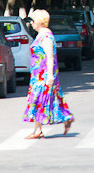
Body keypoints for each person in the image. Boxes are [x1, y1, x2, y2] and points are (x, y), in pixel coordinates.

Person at [23, 9, 74, 139]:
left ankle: (39, 130)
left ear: (39, 22)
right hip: (37, 74)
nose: (32, 23)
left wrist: (50, 75)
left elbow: (50, 56)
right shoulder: (41, 34)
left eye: (33, 21)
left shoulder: (45, 36)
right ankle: (63, 119)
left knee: (39, 100)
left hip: (44, 75)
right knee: (45, 99)